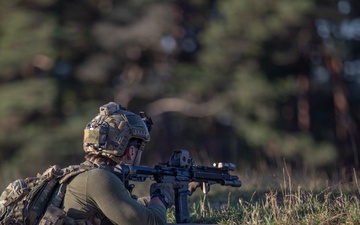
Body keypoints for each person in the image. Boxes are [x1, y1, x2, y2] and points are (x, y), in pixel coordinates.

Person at [62, 102, 174, 225]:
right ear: (131, 152)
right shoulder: (99, 179)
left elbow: (118, 210)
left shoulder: (82, 175)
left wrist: (151, 201)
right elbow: (154, 222)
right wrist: (161, 196)